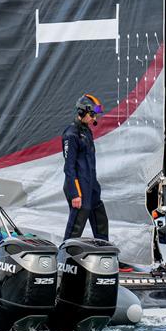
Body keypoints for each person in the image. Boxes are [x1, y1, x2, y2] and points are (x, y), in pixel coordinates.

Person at [62, 93, 109, 241]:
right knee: (77, 223)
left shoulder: (86, 131)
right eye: (92, 115)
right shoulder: (71, 134)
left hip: (91, 184)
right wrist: (75, 193)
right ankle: (65, 257)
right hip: (78, 186)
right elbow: (69, 167)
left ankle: (104, 251)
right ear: (82, 112)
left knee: (100, 218)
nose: (94, 119)